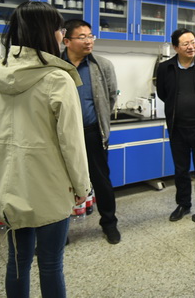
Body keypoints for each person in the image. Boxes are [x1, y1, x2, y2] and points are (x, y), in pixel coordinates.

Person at [0, 1, 91, 298]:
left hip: (11, 185)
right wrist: (82, 187)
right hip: (49, 186)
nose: (62, 35)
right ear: (47, 32)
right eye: (60, 29)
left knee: (17, 263)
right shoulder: (57, 77)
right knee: (50, 264)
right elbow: (72, 143)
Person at [62, 19, 121, 244]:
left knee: (101, 180)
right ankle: (60, 232)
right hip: (62, 135)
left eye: (90, 36)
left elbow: (111, 97)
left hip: (92, 132)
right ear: (67, 41)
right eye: (82, 37)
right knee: (62, 184)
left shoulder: (102, 66)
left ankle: (109, 224)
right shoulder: (55, 65)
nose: (88, 41)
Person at [156, 28, 195, 221]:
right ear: (176, 47)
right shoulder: (165, 68)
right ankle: (183, 204)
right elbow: (162, 93)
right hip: (177, 128)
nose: (191, 46)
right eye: (185, 44)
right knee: (181, 170)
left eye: (193, 42)